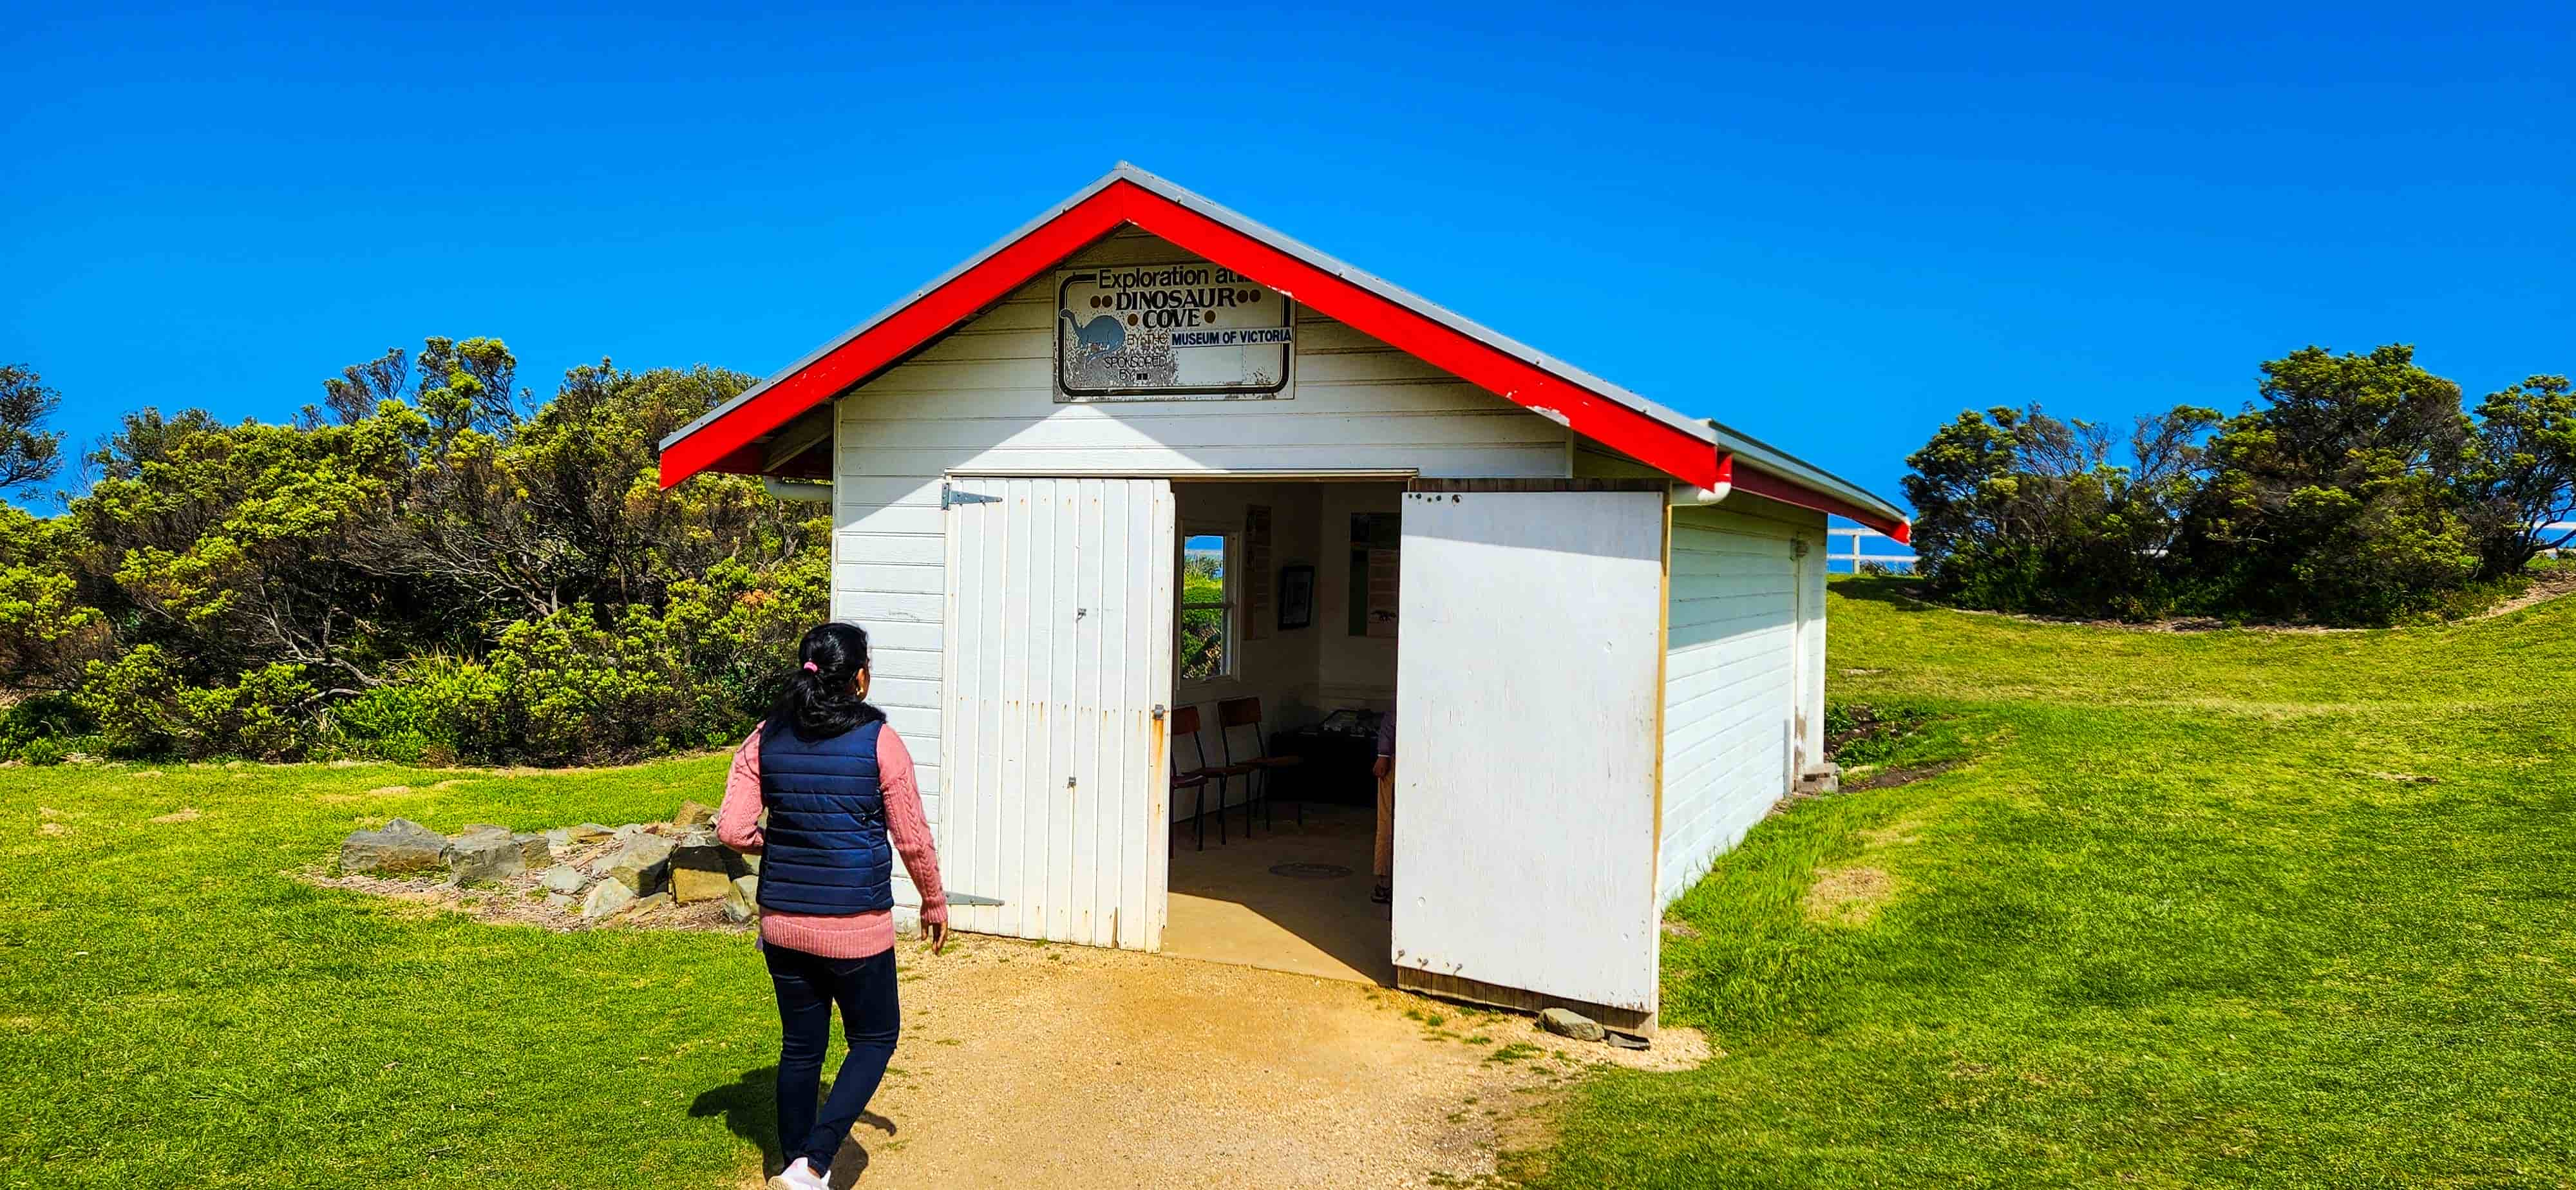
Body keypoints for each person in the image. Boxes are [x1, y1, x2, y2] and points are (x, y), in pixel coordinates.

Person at [716, 622, 948, 1190]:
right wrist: (933, 900)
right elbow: (912, 837)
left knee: (801, 1048)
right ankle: (815, 1162)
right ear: (860, 677)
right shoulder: (879, 741)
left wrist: (786, 843)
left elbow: (732, 830)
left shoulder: (765, 736)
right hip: (855, 928)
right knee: (875, 1037)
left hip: (784, 924)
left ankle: (794, 1165)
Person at [1370, 705, 1396, 905]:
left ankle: (1384, 883)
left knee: (1387, 820)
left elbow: (1391, 720)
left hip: (1394, 759)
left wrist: (1383, 755)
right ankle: (1385, 882)